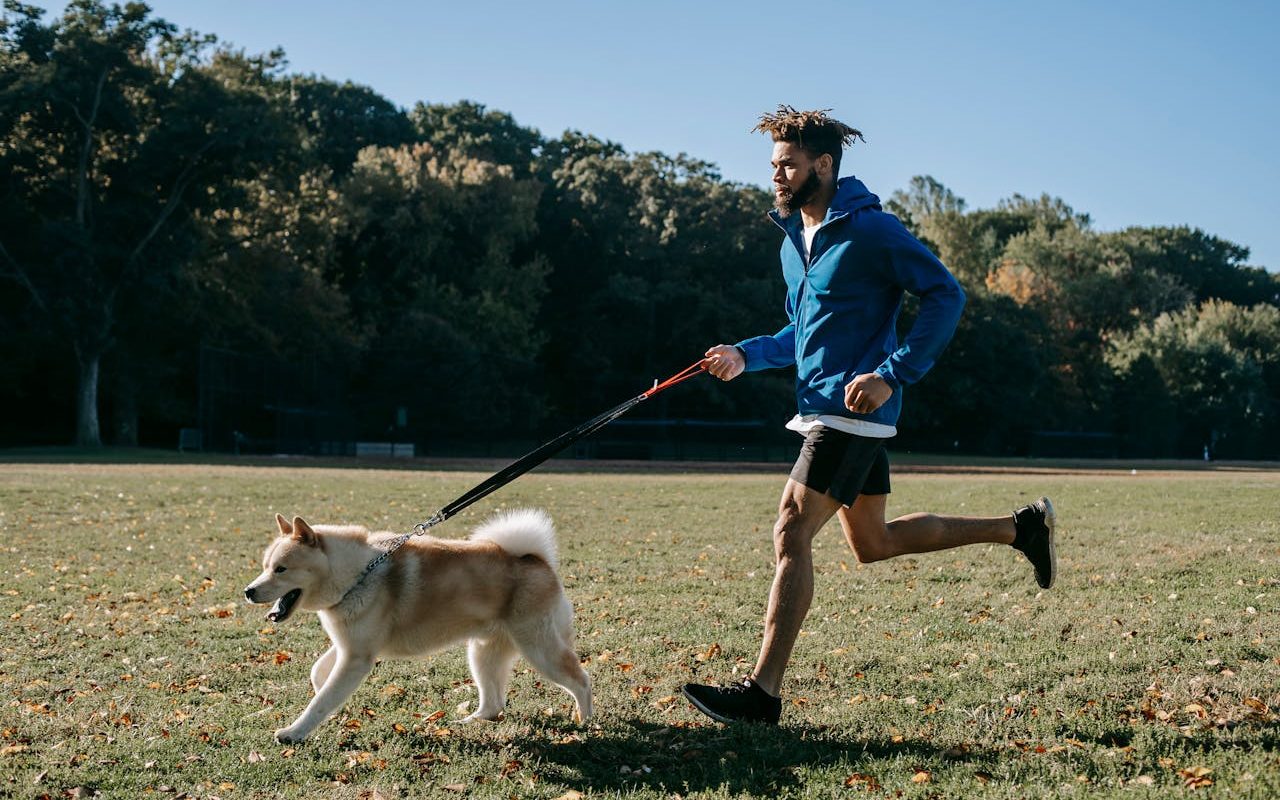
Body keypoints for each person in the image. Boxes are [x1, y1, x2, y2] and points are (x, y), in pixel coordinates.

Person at [681, 106, 1056, 725]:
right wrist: (745, 355)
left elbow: (946, 293)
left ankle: (761, 694)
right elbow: (802, 333)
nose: (776, 177)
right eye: (773, 166)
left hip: (849, 412)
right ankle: (1020, 529)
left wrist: (893, 373)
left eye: (788, 165)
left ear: (822, 165)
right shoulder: (794, 240)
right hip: (826, 407)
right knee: (873, 543)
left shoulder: (872, 231)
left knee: (791, 530)